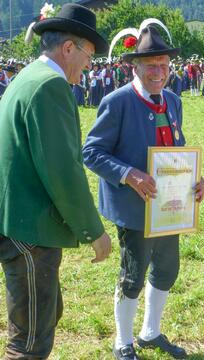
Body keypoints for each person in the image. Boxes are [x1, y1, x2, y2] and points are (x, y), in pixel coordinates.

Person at [83, 24, 204, 360]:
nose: (159, 73)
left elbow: (175, 151)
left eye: (164, 65)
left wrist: (194, 180)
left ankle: (150, 332)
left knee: (167, 269)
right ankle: (122, 341)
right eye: (151, 65)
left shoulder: (174, 102)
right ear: (134, 67)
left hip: (171, 207)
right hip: (134, 207)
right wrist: (128, 174)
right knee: (133, 274)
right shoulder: (117, 101)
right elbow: (91, 152)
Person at [0, 4, 111, 359]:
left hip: (18, 223)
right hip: (31, 230)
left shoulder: (27, 77)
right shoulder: (50, 86)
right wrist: (94, 231)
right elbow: (63, 170)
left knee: (40, 320)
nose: (89, 67)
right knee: (29, 344)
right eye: (89, 56)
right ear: (68, 49)